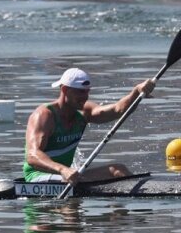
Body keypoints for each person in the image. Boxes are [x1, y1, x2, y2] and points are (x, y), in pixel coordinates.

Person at [23, 67, 155, 183]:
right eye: (80, 92)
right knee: (79, 187)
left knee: (117, 170)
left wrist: (136, 93)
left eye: (87, 91)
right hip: (38, 176)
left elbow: (117, 110)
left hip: (68, 175)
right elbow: (32, 156)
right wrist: (63, 169)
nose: (85, 96)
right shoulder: (44, 115)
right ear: (65, 90)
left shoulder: (84, 112)